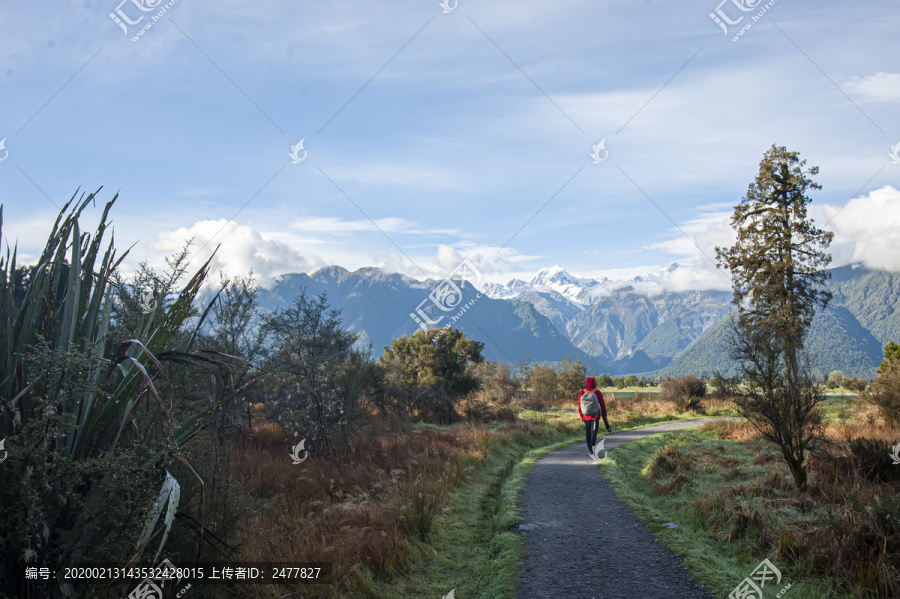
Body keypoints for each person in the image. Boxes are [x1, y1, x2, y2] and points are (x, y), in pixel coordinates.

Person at [578, 376, 611, 457]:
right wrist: (604, 415)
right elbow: (602, 405)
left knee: (588, 432)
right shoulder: (597, 392)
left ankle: (589, 447)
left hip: (585, 416)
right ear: (594, 383)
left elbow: (579, 405)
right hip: (595, 416)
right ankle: (591, 449)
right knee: (594, 433)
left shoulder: (582, 392)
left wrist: (581, 415)